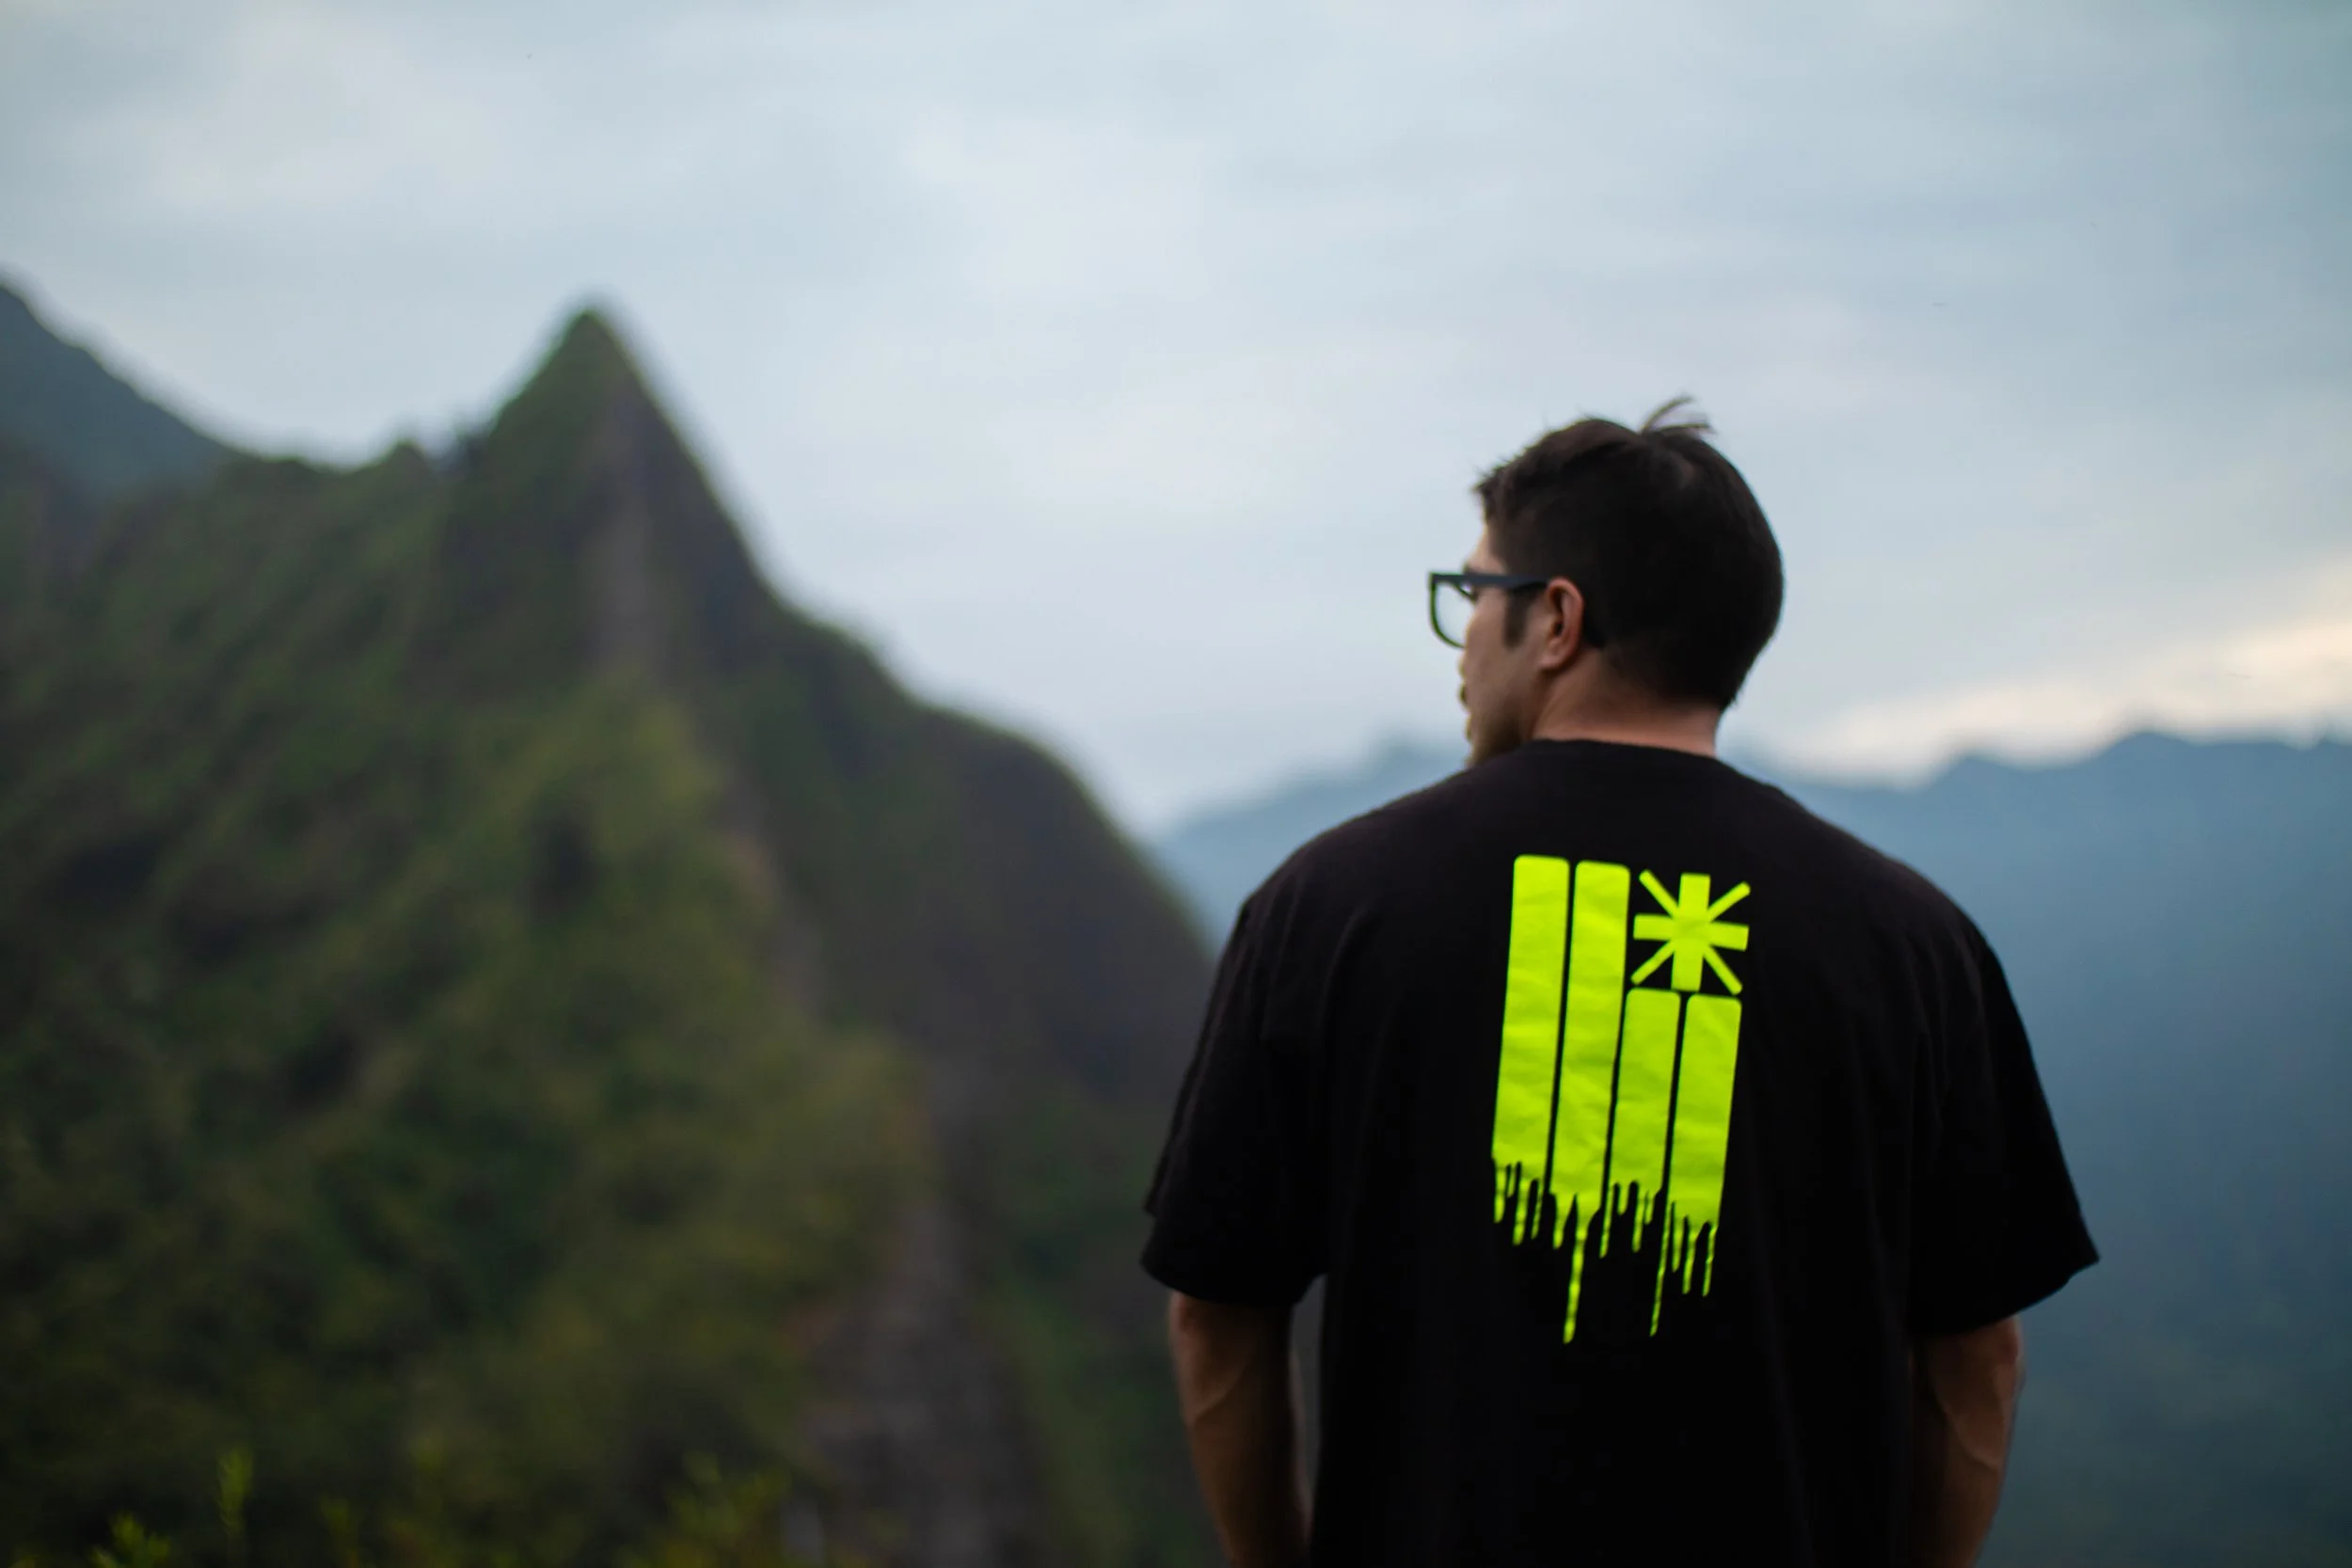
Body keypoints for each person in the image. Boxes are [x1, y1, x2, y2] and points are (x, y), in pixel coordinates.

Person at [1140, 401, 2097, 1568]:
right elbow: (1975, 1357)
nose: (1458, 643)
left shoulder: (1327, 907)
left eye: (1473, 593)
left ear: (1554, 618)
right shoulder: (1912, 944)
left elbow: (1217, 1313)